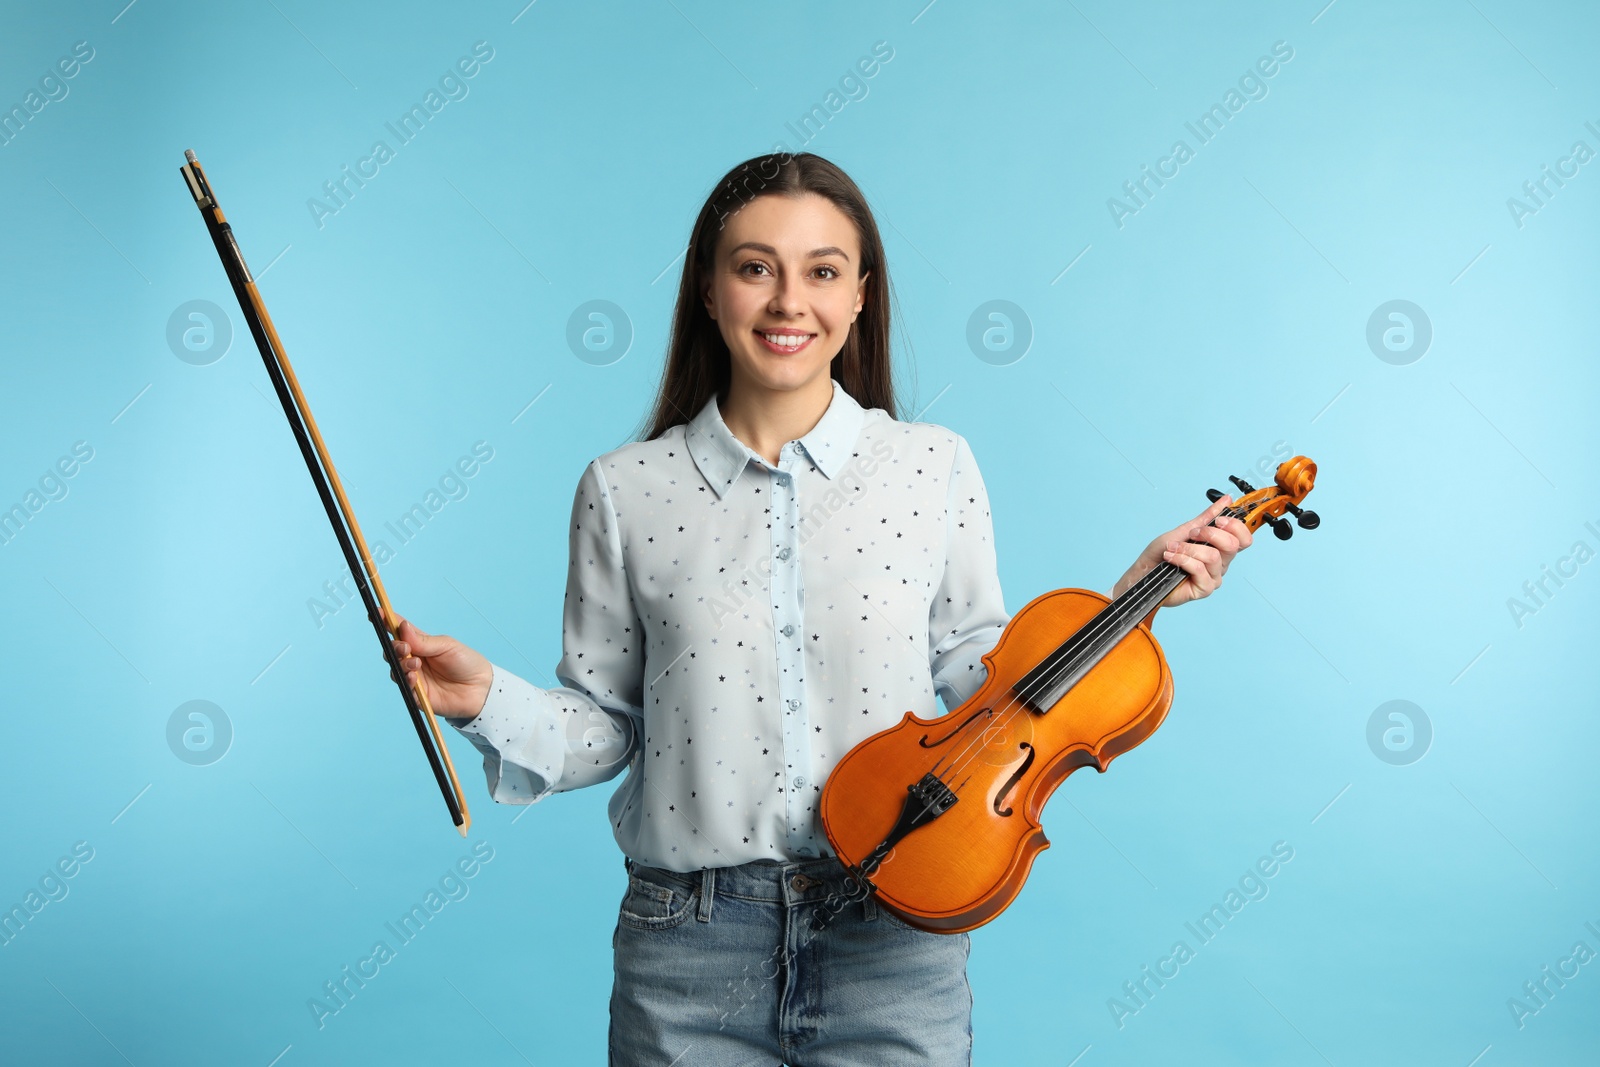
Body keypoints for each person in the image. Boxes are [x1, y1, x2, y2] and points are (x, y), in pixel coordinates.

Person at [389, 151, 1253, 1066]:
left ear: (859, 298)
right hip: (687, 944)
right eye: (755, 266)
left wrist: (1125, 604)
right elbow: (610, 726)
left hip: (895, 929)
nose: (787, 300)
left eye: (823, 272)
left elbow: (985, 697)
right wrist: (483, 698)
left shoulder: (934, 466)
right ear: (710, 289)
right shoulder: (624, 488)